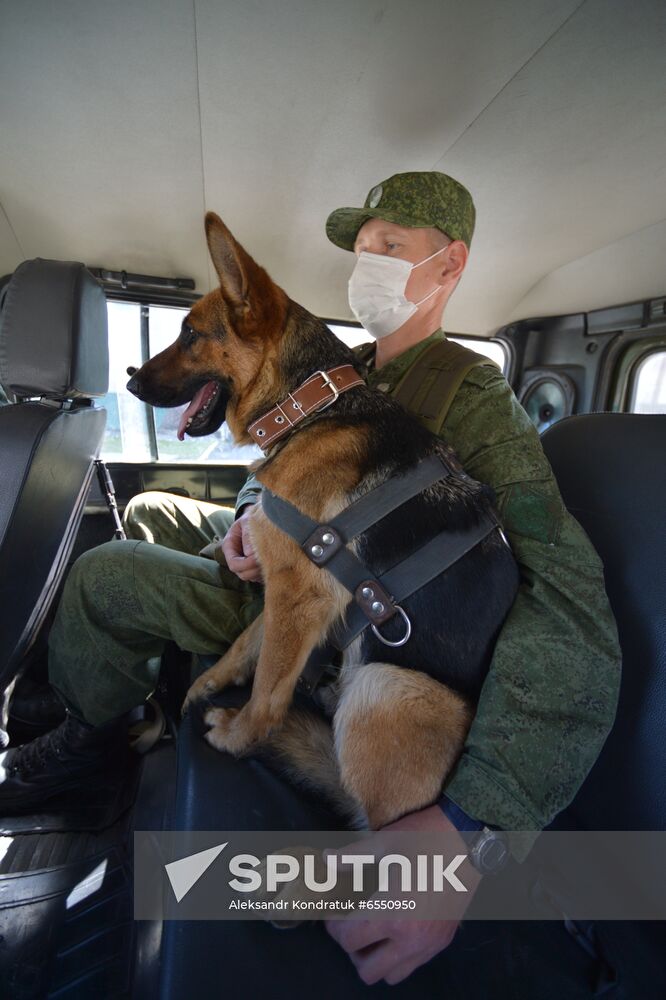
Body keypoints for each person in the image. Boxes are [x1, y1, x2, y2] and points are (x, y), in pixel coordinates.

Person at [0, 172, 622, 986]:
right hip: (289, 566)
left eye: (390, 247)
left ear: (449, 265)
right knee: (154, 509)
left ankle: (86, 751)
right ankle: (136, 707)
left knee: (109, 574)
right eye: (362, 249)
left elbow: (571, 607)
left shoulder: (477, 402)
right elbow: (288, 464)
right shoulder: (349, 363)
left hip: (348, 616)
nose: (367, 264)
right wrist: (248, 523)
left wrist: (473, 823)